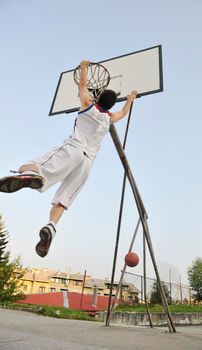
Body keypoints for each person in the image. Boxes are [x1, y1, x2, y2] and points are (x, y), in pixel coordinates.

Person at [0, 60, 138, 258]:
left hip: (73, 149)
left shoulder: (88, 105)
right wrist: (131, 97)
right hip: (87, 164)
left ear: (97, 97)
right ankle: (51, 226)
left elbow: (82, 86)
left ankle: (29, 175)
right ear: (110, 105)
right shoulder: (109, 119)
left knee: (28, 165)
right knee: (63, 199)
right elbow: (124, 112)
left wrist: (83, 68)